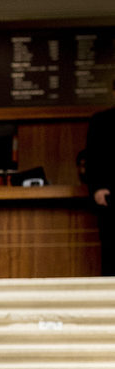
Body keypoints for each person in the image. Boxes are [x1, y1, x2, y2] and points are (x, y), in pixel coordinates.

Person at [85, 89, 115, 275]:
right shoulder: (102, 121)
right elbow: (93, 159)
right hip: (111, 197)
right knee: (112, 255)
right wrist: (97, 189)